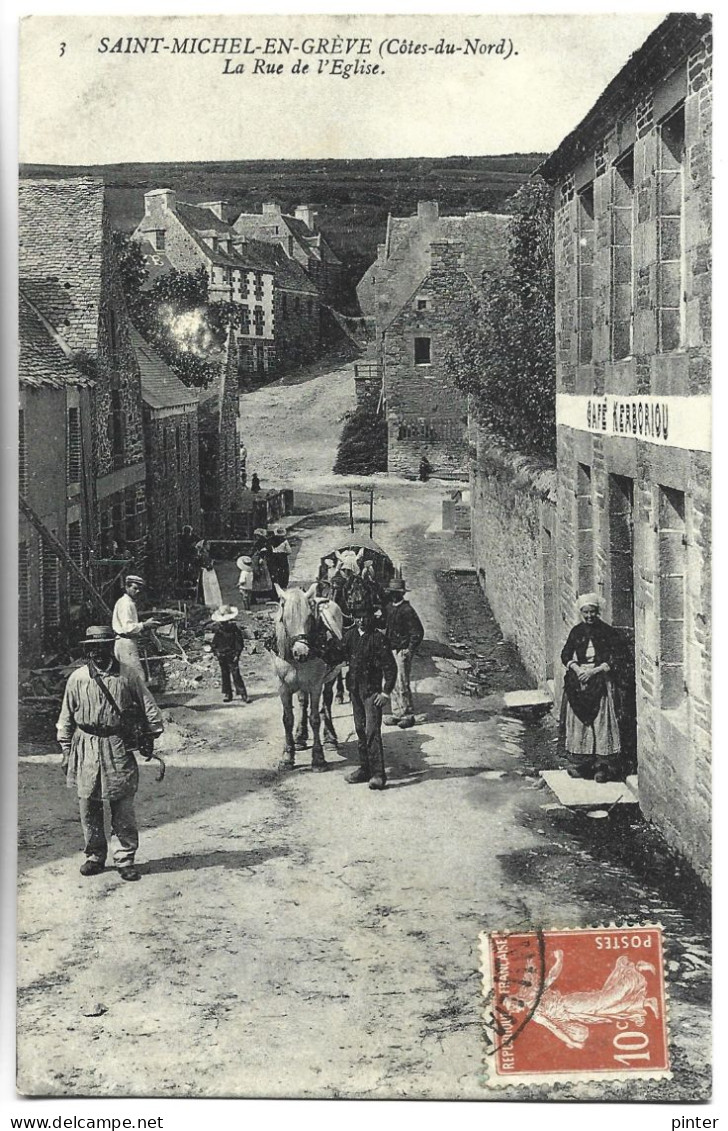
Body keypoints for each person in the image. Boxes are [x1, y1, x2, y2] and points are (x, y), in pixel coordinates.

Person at [57, 625, 164, 881]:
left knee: (122, 804)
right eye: (92, 648)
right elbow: (66, 717)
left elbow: (149, 707)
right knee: (88, 803)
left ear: (111, 647)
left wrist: (150, 734)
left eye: (102, 646)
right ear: (87, 650)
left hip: (116, 745)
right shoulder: (78, 678)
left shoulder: (127, 675)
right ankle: (94, 855)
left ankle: (125, 858)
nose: (97, 652)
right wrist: (65, 748)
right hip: (85, 745)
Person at [559, 593, 624, 783]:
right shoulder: (576, 631)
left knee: (601, 723)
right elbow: (566, 654)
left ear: (598, 612)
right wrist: (577, 669)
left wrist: (595, 671)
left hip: (599, 681)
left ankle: (602, 767)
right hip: (579, 681)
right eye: (586, 612)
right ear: (581, 612)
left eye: (592, 612)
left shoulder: (607, 631)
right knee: (580, 724)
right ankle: (584, 765)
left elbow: (617, 656)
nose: (589, 616)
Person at [343, 605, 397, 791]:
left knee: (372, 731)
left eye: (365, 617)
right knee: (359, 729)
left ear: (371, 618)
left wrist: (386, 693)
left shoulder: (378, 638)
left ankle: (378, 774)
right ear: (354, 618)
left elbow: (391, 667)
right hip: (355, 690)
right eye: (358, 617)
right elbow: (338, 654)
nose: (362, 621)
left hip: (372, 692)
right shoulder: (350, 636)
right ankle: (364, 769)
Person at [384, 578, 424, 729]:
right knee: (391, 682)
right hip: (390, 649)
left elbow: (418, 632)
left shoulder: (407, 610)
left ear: (401, 594)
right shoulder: (389, 608)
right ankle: (396, 713)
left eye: (397, 593)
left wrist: (410, 648)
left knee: (402, 682)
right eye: (392, 593)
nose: (394, 596)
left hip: (401, 651)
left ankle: (407, 714)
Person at [112, 574, 158, 682]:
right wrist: (145, 625)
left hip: (122, 641)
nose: (137, 592)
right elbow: (128, 628)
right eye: (135, 588)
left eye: (139, 589)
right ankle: (143, 699)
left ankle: (130, 698)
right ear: (127, 587)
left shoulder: (126, 602)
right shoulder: (126, 604)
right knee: (138, 677)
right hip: (126, 643)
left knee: (127, 677)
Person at [211, 606, 249, 703]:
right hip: (222, 655)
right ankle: (228, 693)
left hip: (232, 655)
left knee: (236, 674)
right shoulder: (218, 630)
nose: (223, 624)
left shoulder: (234, 629)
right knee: (225, 674)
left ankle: (243, 694)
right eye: (222, 622)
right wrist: (216, 652)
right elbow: (214, 643)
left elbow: (239, 643)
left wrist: (237, 654)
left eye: (225, 622)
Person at [251, 527, 273, 603]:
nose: (256, 537)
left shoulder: (262, 542)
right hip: (258, 561)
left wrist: (261, 557)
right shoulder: (260, 542)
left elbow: (266, 551)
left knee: (261, 578)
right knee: (261, 578)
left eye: (257, 536)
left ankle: (261, 595)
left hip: (261, 562)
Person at [268, 525, 292, 590]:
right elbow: (289, 551)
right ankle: (283, 586)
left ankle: (275, 586)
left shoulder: (271, 540)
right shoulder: (284, 541)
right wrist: (284, 553)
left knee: (274, 571)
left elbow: (269, 549)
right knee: (284, 572)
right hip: (282, 558)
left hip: (274, 557)